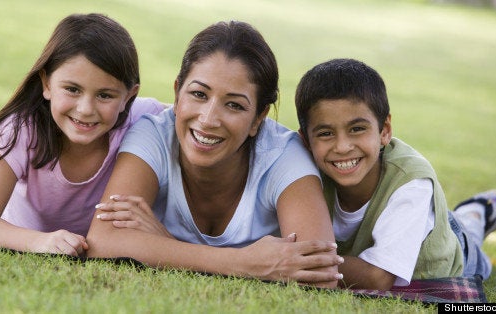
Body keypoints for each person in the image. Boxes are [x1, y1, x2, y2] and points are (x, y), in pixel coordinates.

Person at [86, 20, 343, 287]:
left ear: (259, 118)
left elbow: (321, 274)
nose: (208, 119)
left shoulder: (283, 157)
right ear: (177, 94)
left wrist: (162, 245)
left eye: (234, 105)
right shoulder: (154, 135)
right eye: (198, 94)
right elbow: (103, 241)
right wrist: (245, 263)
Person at [0, 13, 164, 257]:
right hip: (28, 236)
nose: (86, 109)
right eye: (72, 89)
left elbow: (191, 117)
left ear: (128, 97)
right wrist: (40, 242)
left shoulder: (145, 117)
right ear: (47, 84)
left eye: (105, 95)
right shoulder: (20, 130)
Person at [294, 58, 496, 290]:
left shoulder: (411, 183)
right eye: (325, 133)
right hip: (412, 220)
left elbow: (377, 278)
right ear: (305, 140)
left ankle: (478, 212)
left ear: (384, 131)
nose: (343, 146)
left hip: (454, 251)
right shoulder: (302, 174)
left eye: (357, 129)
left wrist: (293, 261)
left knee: (469, 239)